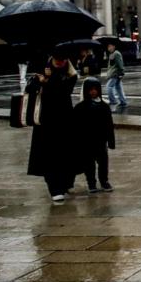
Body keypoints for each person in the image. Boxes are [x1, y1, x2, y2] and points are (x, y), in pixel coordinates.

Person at [27, 55, 80, 201]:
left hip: (65, 120)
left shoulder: (70, 75)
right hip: (46, 121)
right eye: (57, 59)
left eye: (63, 59)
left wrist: (47, 82)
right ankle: (54, 188)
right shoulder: (41, 72)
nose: (60, 61)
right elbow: (30, 89)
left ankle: (64, 183)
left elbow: (62, 92)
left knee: (65, 153)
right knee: (48, 154)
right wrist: (40, 81)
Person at [74, 77, 115, 193]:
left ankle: (104, 181)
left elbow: (109, 125)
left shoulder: (104, 106)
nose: (93, 92)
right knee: (89, 164)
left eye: (95, 89)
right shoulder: (80, 107)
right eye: (90, 89)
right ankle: (91, 183)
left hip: (101, 140)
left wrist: (111, 141)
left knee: (103, 162)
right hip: (86, 141)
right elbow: (76, 126)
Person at [105, 42, 128, 108]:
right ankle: (123, 101)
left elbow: (120, 64)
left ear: (114, 46)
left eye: (110, 46)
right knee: (118, 88)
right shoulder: (112, 54)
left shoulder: (116, 53)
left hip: (115, 73)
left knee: (109, 86)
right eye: (108, 47)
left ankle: (113, 101)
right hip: (114, 73)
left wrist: (121, 72)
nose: (109, 48)